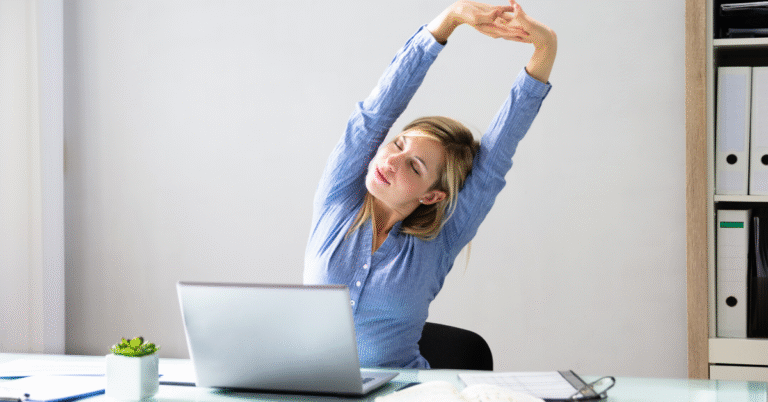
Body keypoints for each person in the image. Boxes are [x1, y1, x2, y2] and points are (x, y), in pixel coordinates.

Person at [304, 0, 557, 369]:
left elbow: (495, 159)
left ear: (432, 195)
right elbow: (376, 112)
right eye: (398, 143)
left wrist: (546, 46)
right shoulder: (338, 199)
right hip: (309, 390)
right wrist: (449, 20)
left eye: (415, 165)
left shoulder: (442, 239)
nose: (391, 160)